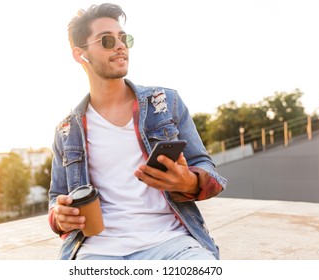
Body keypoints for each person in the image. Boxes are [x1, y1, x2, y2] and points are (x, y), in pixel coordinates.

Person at [48, 3, 227, 260]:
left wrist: (189, 181)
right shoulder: (67, 131)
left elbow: (206, 167)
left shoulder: (165, 103)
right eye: (107, 40)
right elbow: (56, 197)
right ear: (80, 54)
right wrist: (60, 217)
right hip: (96, 251)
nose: (121, 46)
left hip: (172, 243)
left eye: (124, 38)